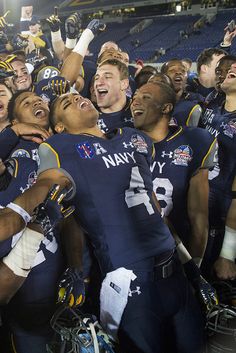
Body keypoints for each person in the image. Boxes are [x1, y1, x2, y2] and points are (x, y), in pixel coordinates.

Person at [0, 92, 206, 353]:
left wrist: (191, 268)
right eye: (66, 104)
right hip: (131, 283)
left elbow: (155, 211)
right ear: (60, 127)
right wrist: (16, 215)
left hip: (175, 273)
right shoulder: (62, 149)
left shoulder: (135, 138)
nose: (76, 99)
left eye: (76, 96)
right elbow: (43, 191)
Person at [131, 81, 216, 266]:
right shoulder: (121, 140)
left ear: (166, 108)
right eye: (135, 97)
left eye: (145, 97)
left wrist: (195, 269)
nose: (135, 101)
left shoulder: (194, 141)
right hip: (133, 249)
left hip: (176, 250)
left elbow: (199, 217)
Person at [94, 58, 134, 132]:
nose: (99, 82)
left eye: (107, 77)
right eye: (96, 78)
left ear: (124, 84)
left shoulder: (140, 113)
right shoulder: (85, 116)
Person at [161, 59, 203, 127]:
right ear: (163, 77)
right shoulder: (154, 102)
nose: (179, 73)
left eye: (183, 71)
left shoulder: (198, 100)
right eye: (172, 70)